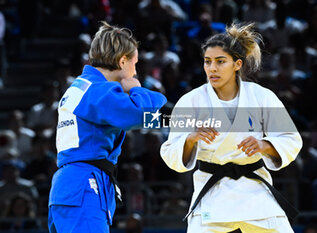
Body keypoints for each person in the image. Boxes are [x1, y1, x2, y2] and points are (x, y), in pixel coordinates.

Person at [160, 22, 302, 232]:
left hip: (256, 191)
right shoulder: (191, 101)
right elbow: (170, 151)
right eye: (207, 62)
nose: (212, 68)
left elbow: (291, 138)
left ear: (237, 64)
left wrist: (264, 145)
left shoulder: (261, 97)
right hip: (212, 193)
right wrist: (190, 139)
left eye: (220, 61)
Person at [48, 21, 167, 233]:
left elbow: (141, 118)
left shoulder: (82, 87)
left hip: (72, 189)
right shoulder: (97, 91)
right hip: (84, 189)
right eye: (135, 64)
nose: (134, 72)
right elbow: (141, 115)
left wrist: (182, 121)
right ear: (122, 61)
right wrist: (138, 90)